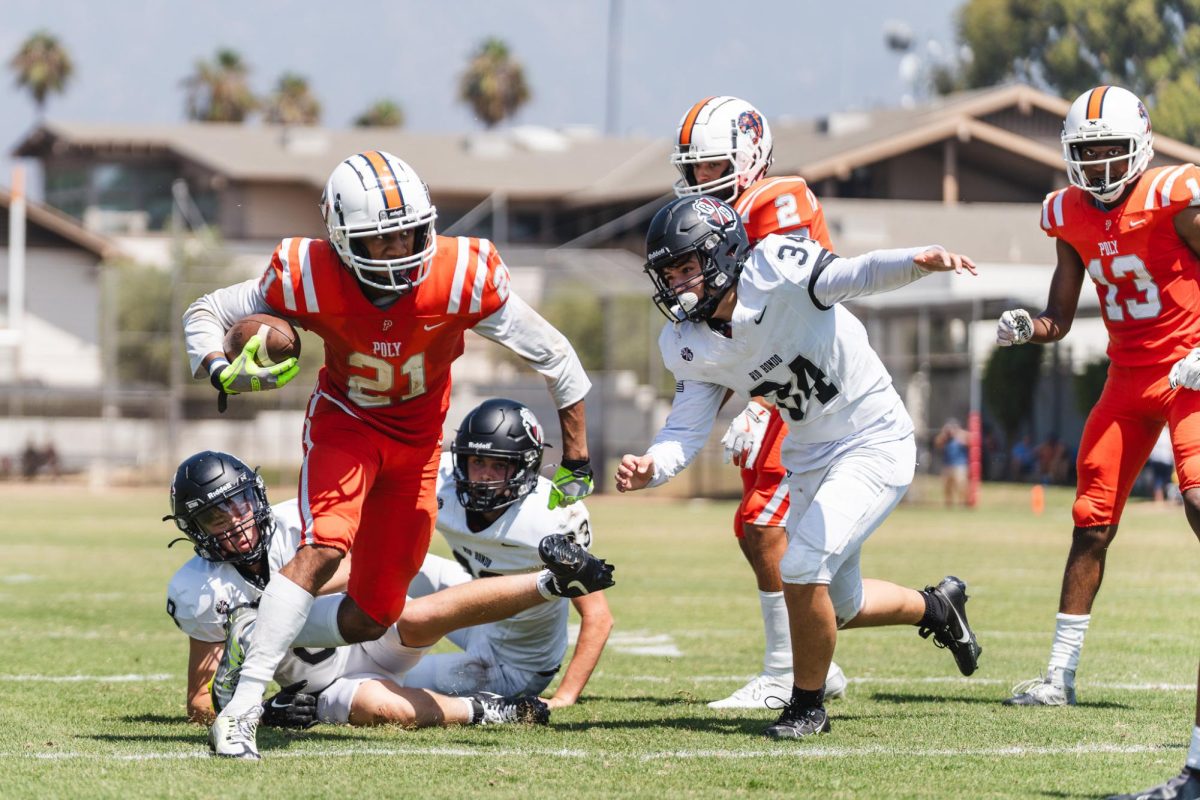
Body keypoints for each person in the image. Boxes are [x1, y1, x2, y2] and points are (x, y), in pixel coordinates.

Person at [182, 150, 595, 759]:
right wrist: (217, 366)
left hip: (420, 444)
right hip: (347, 425)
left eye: (412, 234)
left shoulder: (461, 273)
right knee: (325, 544)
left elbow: (556, 356)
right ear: (344, 242)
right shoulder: (306, 272)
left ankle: (253, 623)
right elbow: (208, 309)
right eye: (383, 241)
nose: (402, 251)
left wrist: (578, 458)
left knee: (376, 611)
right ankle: (242, 710)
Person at [615, 194, 983, 739]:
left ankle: (806, 705)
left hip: (872, 437)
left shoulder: (775, 268)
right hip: (810, 454)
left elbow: (854, 274)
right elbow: (685, 428)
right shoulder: (687, 341)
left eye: (688, 268)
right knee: (842, 604)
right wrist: (654, 466)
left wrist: (915, 261)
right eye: (668, 274)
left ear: (724, 255)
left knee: (802, 563)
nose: (678, 286)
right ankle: (936, 607)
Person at [164, 450, 614, 742]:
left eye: (238, 504)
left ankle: (553, 583)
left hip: (360, 630)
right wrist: (264, 711)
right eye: (213, 518)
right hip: (324, 685)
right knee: (383, 707)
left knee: (415, 616)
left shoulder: (300, 523)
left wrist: (314, 580)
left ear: (256, 497)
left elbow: (371, 560)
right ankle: (491, 712)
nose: (235, 523)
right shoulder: (201, 590)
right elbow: (200, 702)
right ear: (193, 531)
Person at [996, 86, 1200, 726]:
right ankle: (1058, 674)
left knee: (1197, 501)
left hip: (1189, 368)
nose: (1101, 163)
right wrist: (1031, 328)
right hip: (1125, 377)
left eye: (1112, 149)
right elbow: (1061, 315)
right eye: (1088, 151)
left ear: (1139, 144)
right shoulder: (1065, 212)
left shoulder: (1174, 197)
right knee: (1091, 520)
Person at [669, 94, 846, 708]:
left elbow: (778, 305)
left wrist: (754, 403)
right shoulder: (721, 215)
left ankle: (784, 672)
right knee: (822, 578)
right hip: (774, 380)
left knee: (762, 525)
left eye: (712, 166)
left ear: (749, 157)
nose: (699, 181)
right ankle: (934, 607)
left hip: (801, 382)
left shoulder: (778, 200)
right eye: (691, 169)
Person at [401, 398, 613, 708]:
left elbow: (599, 616)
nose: (485, 475)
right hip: (479, 608)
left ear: (524, 467)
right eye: (477, 462)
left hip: (513, 663)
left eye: (499, 465)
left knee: (384, 678)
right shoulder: (441, 481)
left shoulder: (547, 518)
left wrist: (565, 698)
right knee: (381, 569)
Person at [934, 419, 970, 507]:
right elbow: (937, 444)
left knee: (961, 485)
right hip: (947, 465)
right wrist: (943, 435)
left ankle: (962, 503)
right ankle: (949, 504)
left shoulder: (961, 436)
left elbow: (971, 441)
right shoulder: (945, 439)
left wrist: (958, 435)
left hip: (960, 465)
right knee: (947, 486)